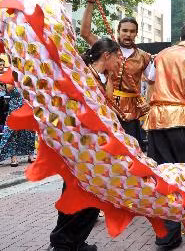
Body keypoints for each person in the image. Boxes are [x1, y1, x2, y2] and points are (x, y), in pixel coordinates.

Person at [49, 38, 119, 251]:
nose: (118, 63)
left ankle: (73, 242)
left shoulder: (95, 77)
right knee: (81, 196)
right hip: (82, 147)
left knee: (84, 197)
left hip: (86, 147)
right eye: (117, 58)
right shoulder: (85, 77)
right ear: (107, 55)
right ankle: (64, 242)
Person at [145, 23, 185, 248]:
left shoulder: (160, 55)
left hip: (156, 120)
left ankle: (166, 235)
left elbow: (150, 83)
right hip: (182, 120)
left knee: (162, 176)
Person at [82, 0, 155, 147]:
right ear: (118, 31)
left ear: (137, 33)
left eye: (132, 31)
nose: (128, 35)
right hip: (105, 109)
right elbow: (85, 33)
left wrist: (147, 103)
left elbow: (152, 80)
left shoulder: (144, 57)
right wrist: (90, 3)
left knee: (130, 153)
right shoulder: (106, 49)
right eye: (125, 31)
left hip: (131, 114)